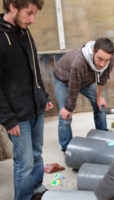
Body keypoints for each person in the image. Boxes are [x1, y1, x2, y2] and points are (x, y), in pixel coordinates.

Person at [0, 0, 54, 200]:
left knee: (37, 154)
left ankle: (37, 189)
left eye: (35, 14)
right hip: (17, 116)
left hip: (35, 108)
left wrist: (43, 97)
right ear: (12, 6)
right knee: (25, 164)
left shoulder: (24, 32)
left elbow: (33, 68)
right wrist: (7, 119)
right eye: (29, 13)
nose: (32, 20)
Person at [53, 38, 114, 152]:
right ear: (93, 51)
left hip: (86, 80)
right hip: (64, 80)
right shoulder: (79, 62)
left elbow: (102, 80)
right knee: (65, 116)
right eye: (100, 59)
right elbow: (74, 86)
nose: (102, 64)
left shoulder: (108, 59)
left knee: (99, 107)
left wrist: (98, 97)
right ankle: (67, 149)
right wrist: (68, 108)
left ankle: (103, 137)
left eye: (106, 60)